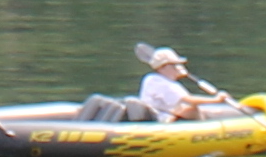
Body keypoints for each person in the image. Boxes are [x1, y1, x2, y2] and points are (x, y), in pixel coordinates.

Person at [80, 46, 229, 122]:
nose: (178, 68)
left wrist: (177, 74)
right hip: (159, 121)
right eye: (174, 65)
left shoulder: (150, 78)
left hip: (155, 114)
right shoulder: (166, 85)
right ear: (163, 67)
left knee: (187, 109)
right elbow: (188, 100)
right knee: (191, 108)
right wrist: (217, 99)